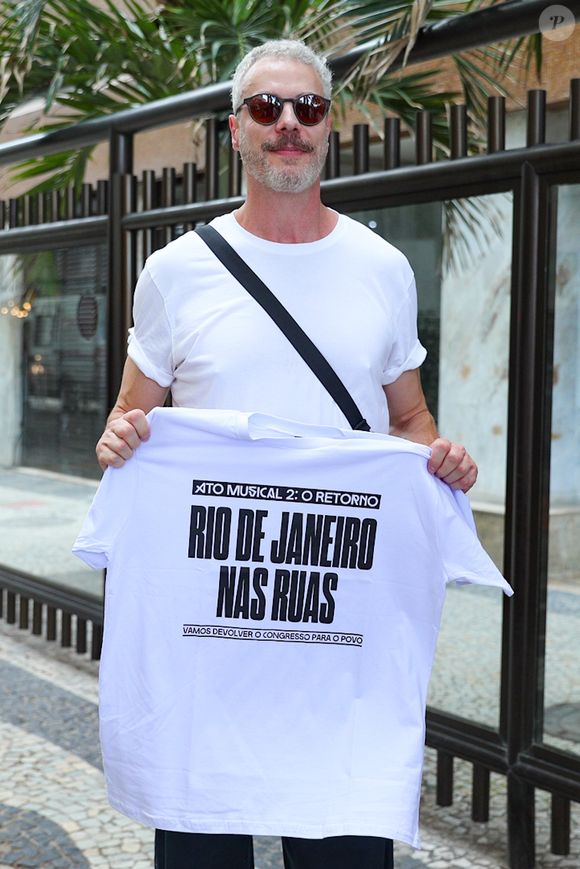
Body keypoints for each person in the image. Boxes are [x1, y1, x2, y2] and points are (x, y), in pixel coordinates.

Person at [96, 38, 477, 869]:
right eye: (267, 108)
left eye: (307, 107)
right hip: (211, 651)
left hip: (337, 651)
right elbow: (130, 420)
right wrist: (121, 437)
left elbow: (409, 422)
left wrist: (437, 460)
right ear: (235, 129)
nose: (289, 125)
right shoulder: (176, 272)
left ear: (330, 124)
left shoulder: (382, 268)